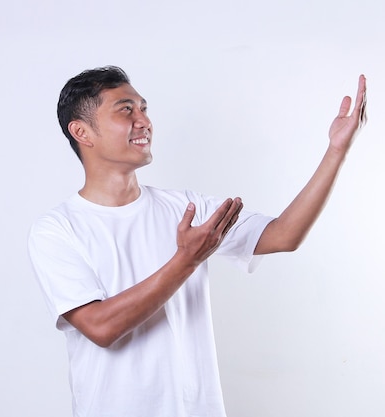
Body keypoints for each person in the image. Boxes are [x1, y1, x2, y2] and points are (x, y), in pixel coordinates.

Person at [28, 65, 367, 417]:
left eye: (144, 109)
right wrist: (186, 260)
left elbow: (284, 235)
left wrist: (336, 150)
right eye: (126, 109)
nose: (143, 121)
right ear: (82, 131)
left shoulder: (185, 208)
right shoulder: (56, 229)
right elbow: (101, 327)